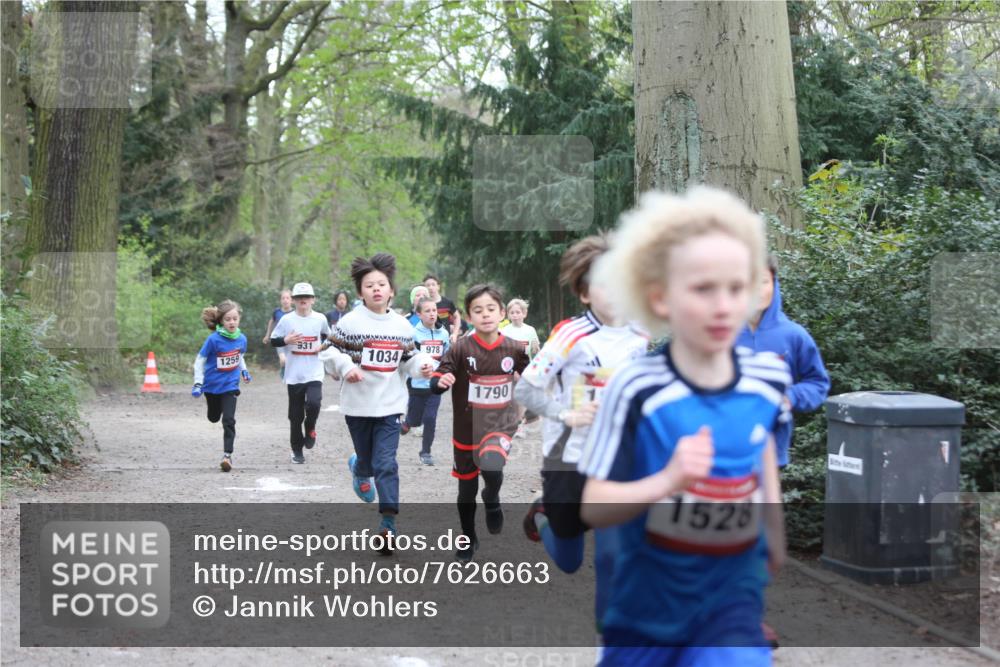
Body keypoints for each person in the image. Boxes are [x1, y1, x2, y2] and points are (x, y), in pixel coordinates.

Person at [577, 187, 791, 666]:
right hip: (646, 608)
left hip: (732, 599)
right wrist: (667, 481)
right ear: (661, 298)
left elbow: (762, 455)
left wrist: (774, 534)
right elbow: (594, 506)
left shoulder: (768, 378)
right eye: (702, 289)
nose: (723, 306)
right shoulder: (636, 387)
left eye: (736, 288)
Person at [514, 235, 648, 576]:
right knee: (570, 561)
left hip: (618, 456)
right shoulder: (570, 335)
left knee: (613, 550)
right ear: (585, 293)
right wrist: (567, 414)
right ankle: (543, 514)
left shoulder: (642, 334)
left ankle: (611, 626)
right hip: (569, 457)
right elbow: (526, 390)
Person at [321, 253, 434, 552]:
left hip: (390, 406)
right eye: (369, 285)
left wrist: (422, 364)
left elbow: (410, 357)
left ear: (391, 290)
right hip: (358, 406)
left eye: (381, 284)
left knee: (386, 464)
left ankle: (388, 523)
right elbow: (328, 352)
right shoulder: (350, 323)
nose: (376, 289)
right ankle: (359, 467)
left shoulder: (401, 327)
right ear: (360, 292)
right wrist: (347, 367)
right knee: (369, 462)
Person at [431, 284, 530, 562]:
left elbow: (533, 375)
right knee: (466, 490)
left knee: (492, 465)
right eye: (478, 310)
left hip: (500, 425)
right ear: (469, 317)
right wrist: (440, 382)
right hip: (466, 429)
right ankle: (467, 537)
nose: (485, 314)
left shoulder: (514, 348)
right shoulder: (461, 348)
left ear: (502, 313)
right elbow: (439, 376)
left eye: (490, 309)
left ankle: (493, 497)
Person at [736, 254, 830, 467]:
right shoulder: (716, 333)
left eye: (763, 281)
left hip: (770, 455)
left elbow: (818, 384)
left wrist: (789, 397)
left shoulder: (793, 335)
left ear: (774, 284)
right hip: (716, 451)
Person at [270, 282, 331, 464]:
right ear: (294, 301)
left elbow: (329, 337)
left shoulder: (320, 319)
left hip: (314, 372)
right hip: (294, 374)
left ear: (313, 300)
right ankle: (297, 451)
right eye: (299, 298)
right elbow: (274, 340)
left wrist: (322, 346)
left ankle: (310, 426)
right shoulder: (287, 320)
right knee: (295, 416)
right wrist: (286, 339)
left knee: (314, 403)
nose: (303, 301)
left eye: (306, 297)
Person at [192, 300, 252, 472]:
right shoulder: (213, 340)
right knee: (213, 417)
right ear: (221, 322)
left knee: (229, 420)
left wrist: (244, 371)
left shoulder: (242, 339)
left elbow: (239, 357)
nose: (232, 322)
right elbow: (200, 361)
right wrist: (198, 382)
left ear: (239, 319)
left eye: (235, 318)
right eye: (227, 319)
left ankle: (227, 455)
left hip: (230, 385)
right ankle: (212, 410)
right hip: (211, 386)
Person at [401, 296, 450, 465]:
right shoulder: (413, 333)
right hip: (416, 384)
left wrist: (444, 372)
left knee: (430, 418)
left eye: (434, 310)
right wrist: (419, 368)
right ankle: (408, 422)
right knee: (415, 420)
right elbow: (408, 358)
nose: (432, 314)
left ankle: (426, 452)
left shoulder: (443, 333)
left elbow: (446, 356)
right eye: (427, 311)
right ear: (419, 315)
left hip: (435, 383)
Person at [262, 289, 293, 377]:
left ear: (292, 300)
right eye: (283, 298)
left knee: (290, 360)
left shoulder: (294, 313)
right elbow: (271, 321)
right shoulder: (277, 312)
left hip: (291, 341)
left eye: (287, 298)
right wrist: (267, 335)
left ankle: (288, 370)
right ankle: (283, 368)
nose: (285, 300)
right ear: (280, 300)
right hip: (279, 339)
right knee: (283, 360)